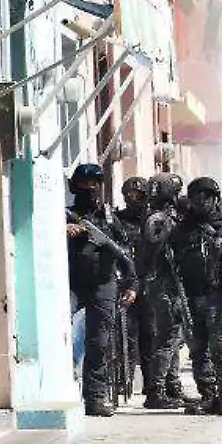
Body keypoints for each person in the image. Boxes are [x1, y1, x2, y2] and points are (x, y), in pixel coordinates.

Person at [170, 177, 222, 416]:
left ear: (215, 199)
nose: (202, 202)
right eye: (197, 197)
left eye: (207, 197)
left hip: (216, 297)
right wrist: (173, 296)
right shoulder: (181, 231)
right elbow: (169, 263)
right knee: (198, 350)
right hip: (189, 297)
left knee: (221, 349)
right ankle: (208, 395)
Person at [66, 163, 137, 417]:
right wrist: (63, 232)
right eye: (84, 184)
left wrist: (131, 284)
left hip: (103, 284)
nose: (90, 188)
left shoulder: (108, 218)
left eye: (94, 184)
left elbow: (125, 253)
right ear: (75, 187)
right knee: (59, 334)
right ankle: (62, 388)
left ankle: (95, 398)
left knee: (99, 343)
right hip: (71, 283)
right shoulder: (65, 215)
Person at [138, 172, 192, 408]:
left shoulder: (164, 216)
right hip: (164, 283)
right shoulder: (158, 219)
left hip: (167, 282)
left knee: (174, 336)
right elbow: (160, 248)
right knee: (167, 337)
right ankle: (155, 391)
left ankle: (172, 386)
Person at [116, 176, 149, 395]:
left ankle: (153, 384)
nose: (134, 199)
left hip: (150, 284)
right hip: (126, 282)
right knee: (125, 335)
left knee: (151, 336)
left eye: (139, 195)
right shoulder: (117, 221)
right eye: (130, 195)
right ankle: (123, 379)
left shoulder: (153, 221)